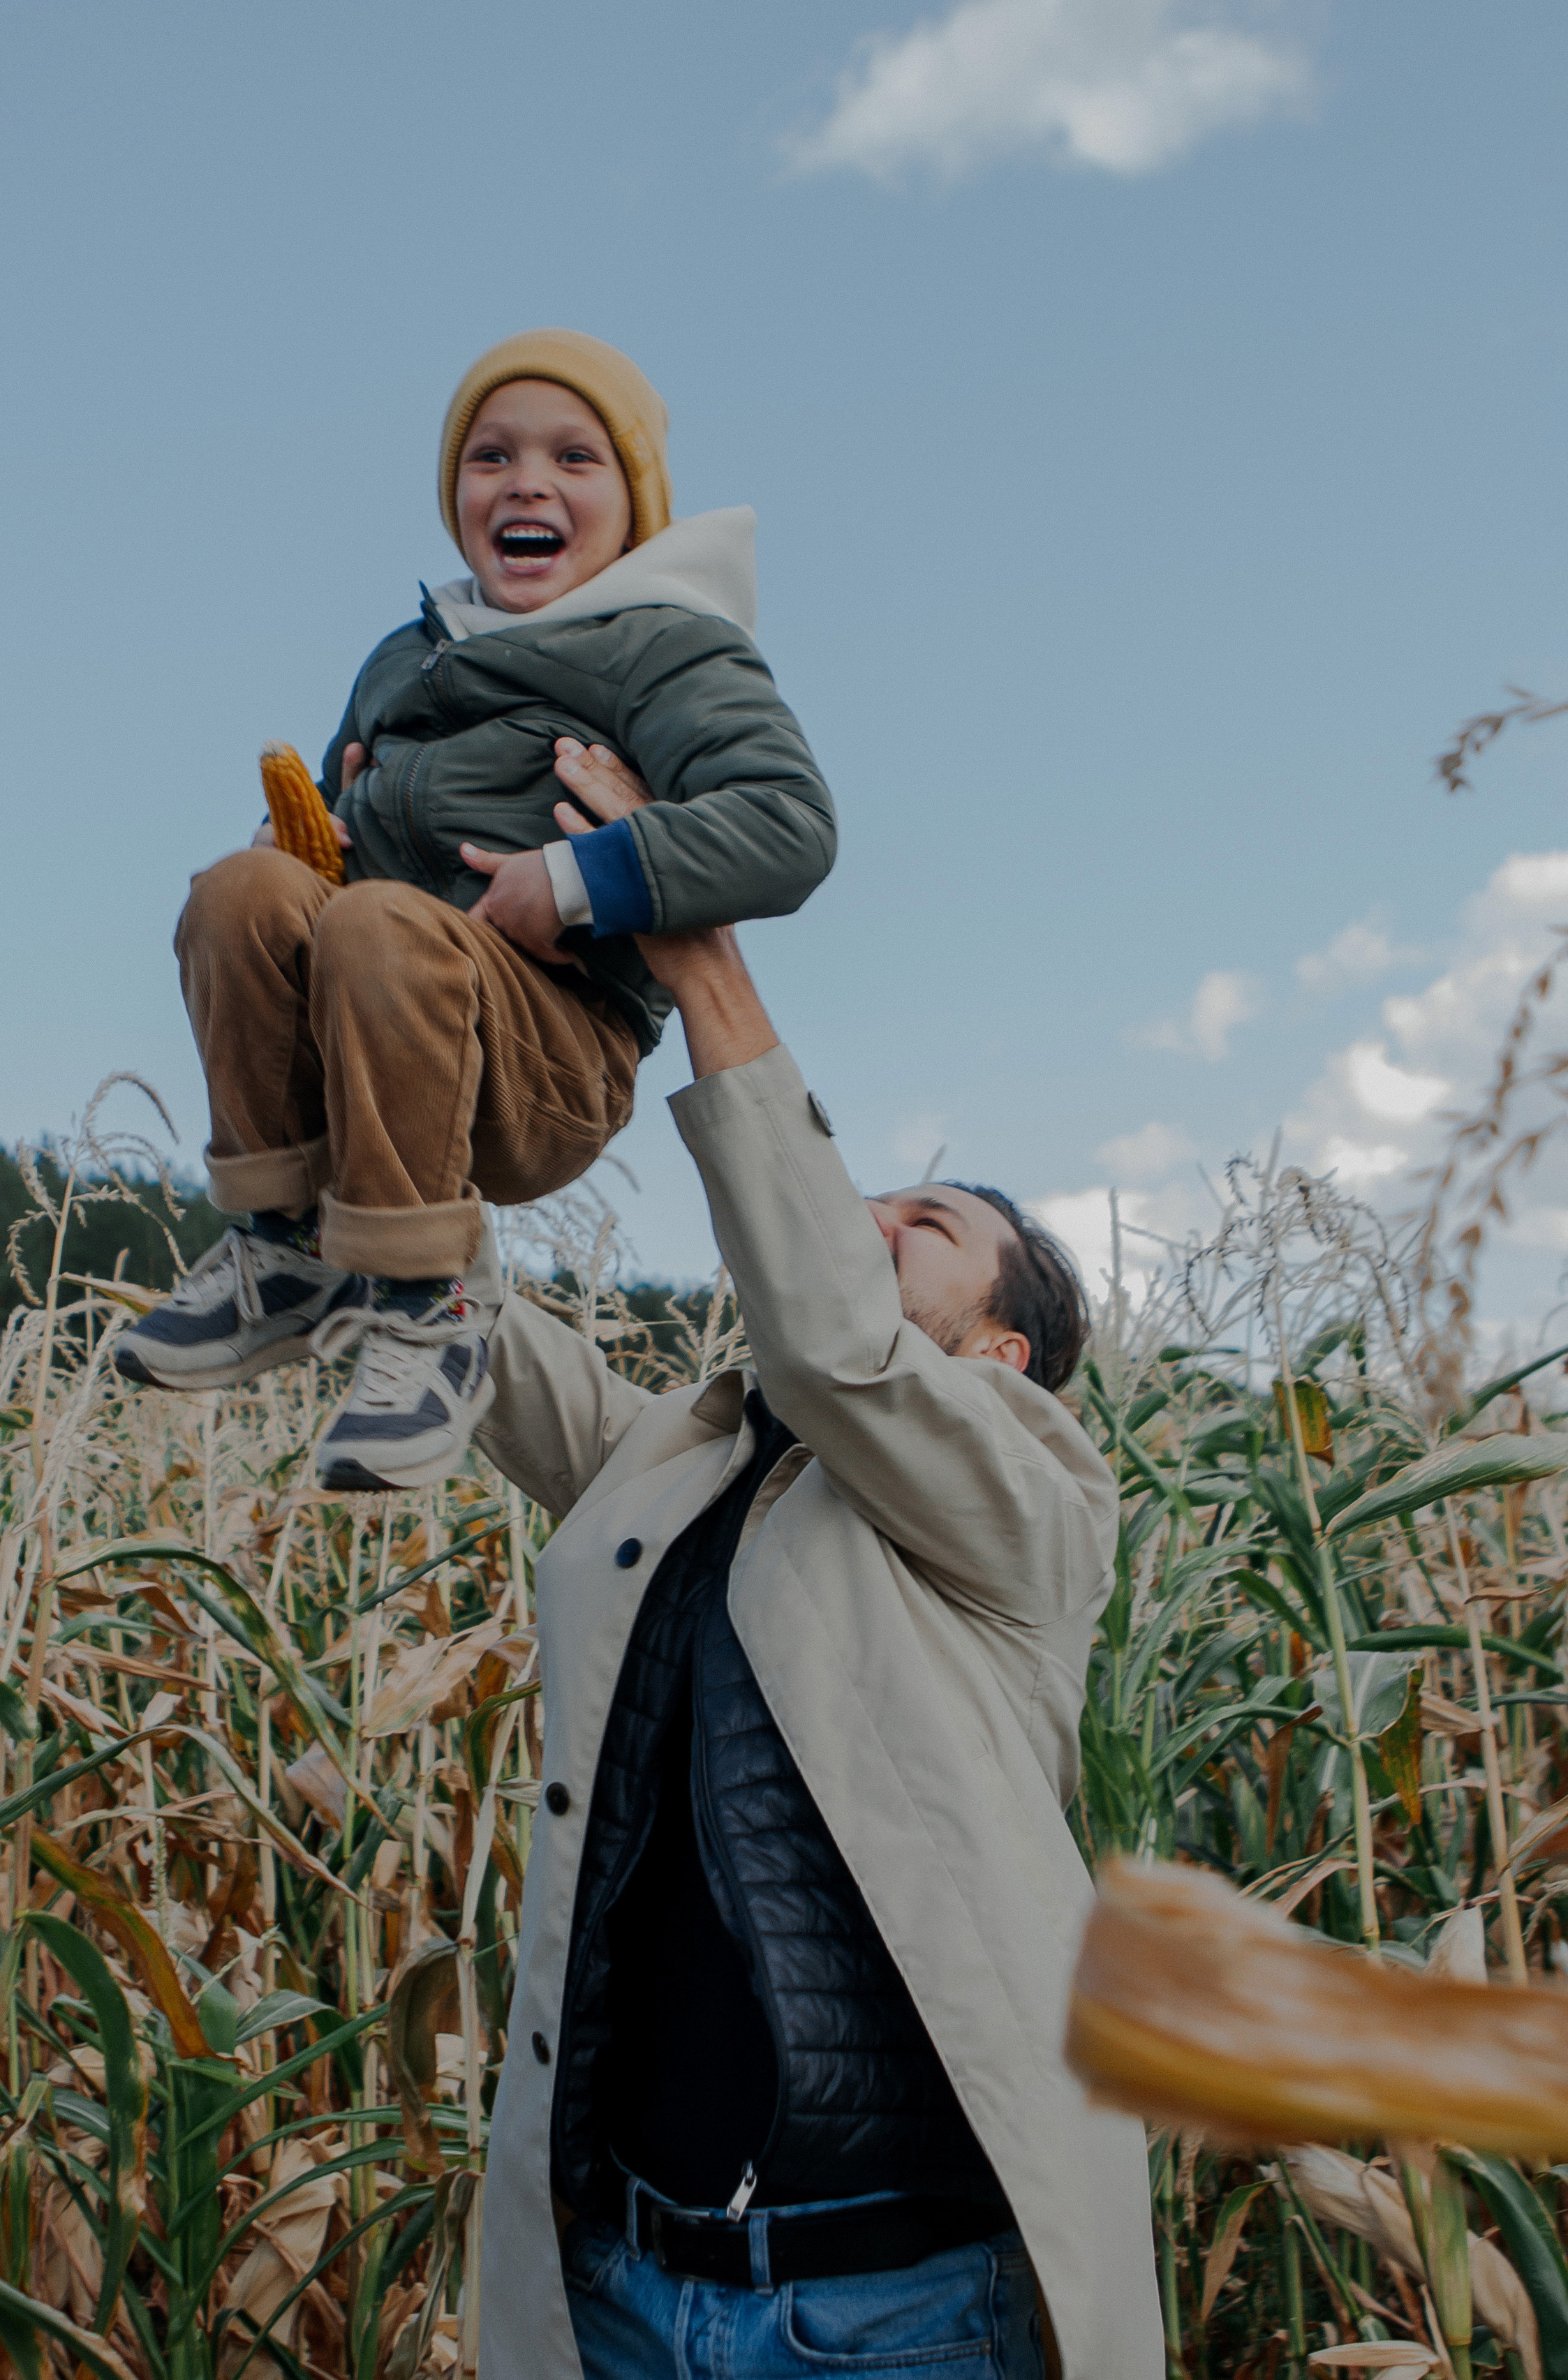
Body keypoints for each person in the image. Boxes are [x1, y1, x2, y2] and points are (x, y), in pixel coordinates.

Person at [466, 896, 1162, 2379]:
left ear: (996, 1352)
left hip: (887, 2315)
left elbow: (833, 1348)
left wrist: (700, 963)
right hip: (626, 2285)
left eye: (926, 1228)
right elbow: (463, 1334)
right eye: (873, 1200)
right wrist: (366, 1120)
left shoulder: (1026, 1499)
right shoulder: (680, 1456)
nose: (868, 1218)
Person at [114, 328, 835, 1494]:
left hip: (548, 1052)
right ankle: (283, 1247)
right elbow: (347, 853)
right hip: (380, 1032)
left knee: (378, 927)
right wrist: (307, 852)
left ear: (635, 500)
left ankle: (428, 1305)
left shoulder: (666, 642)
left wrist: (574, 879)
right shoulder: (407, 654)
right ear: (456, 497)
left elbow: (789, 826)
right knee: (239, 893)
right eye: (491, 456)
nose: (528, 482)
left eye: (575, 457)